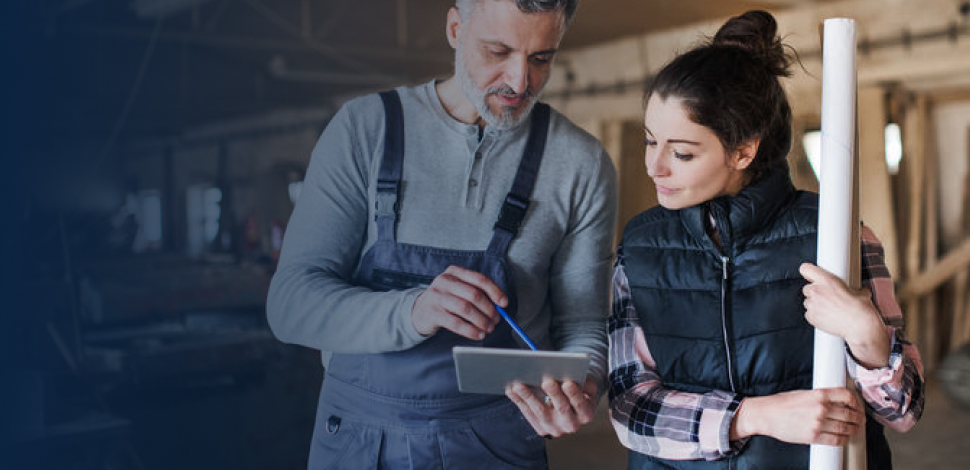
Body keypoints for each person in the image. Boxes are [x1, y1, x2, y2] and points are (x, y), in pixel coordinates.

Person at [266, 0, 617, 468]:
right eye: (497, 51)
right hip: (359, 441)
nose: (519, 82)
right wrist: (411, 310)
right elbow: (290, 306)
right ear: (455, 28)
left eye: (541, 59)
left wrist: (582, 384)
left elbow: (583, 325)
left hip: (497, 445)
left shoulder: (580, 163)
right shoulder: (364, 130)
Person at [608, 10, 924, 470]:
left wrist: (869, 336)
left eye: (681, 152)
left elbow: (903, 411)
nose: (654, 166)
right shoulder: (639, 247)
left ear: (743, 150)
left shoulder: (837, 237)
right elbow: (628, 409)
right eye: (649, 141)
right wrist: (754, 416)